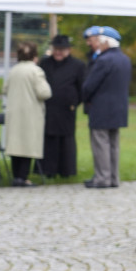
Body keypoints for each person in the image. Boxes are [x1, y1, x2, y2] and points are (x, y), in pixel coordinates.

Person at [81, 26, 131, 189]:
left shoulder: (103, 60)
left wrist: (84, 98)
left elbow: (89, 86)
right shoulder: (124, 59)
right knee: (114, 145)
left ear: (105, 42)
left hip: (101, 108)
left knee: (100, 144)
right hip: (119, 109)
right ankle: (113, 178)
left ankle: (102, 178)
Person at [3, 42, 52, 187]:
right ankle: (23, 177)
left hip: (14, 112)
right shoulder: (36, 71)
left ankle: (16, 176)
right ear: (34, 56)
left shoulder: (14, 70)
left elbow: (5, 89)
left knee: (16, 145)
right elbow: (45, 92)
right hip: (30, 113)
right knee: (27, 145)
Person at [39, 34, 87, 178]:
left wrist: (74, 102)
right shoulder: (45, 63)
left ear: (68, 50)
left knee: (66, 140)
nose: (58, 52)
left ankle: (66, 170)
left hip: (67, 109)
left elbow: (82, 87)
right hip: (48, 108)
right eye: (56, 49)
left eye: (62, 49)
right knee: (49, 139)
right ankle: (49, 170)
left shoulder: (78, 65)